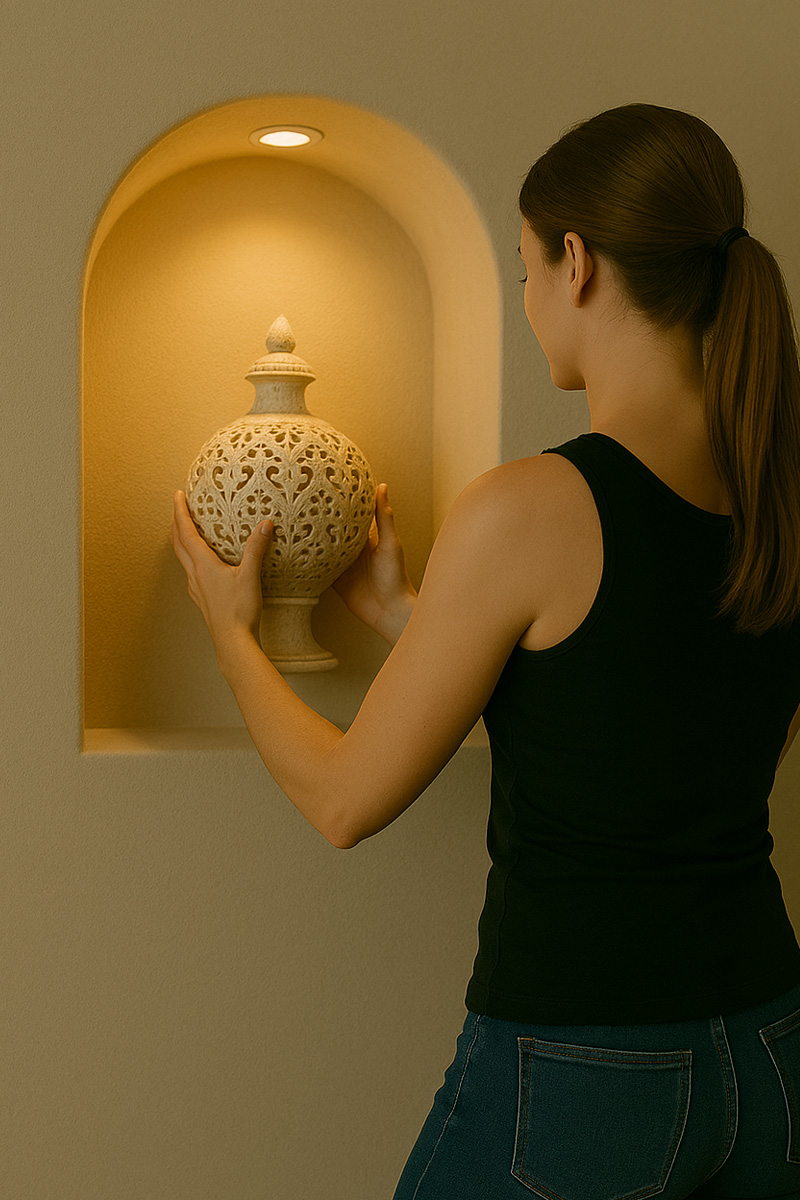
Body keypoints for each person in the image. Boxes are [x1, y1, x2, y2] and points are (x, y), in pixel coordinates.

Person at [172, 102, 800, 1197]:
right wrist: (414, 617)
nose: (525, 304)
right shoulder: (782, 501)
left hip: (589, 1063)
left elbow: (341, 801)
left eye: (520, 271)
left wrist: (232, 634)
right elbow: (645, 710)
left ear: (576, 262)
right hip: (768, 1049)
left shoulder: (531, 508)